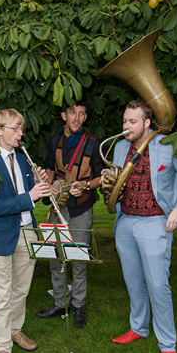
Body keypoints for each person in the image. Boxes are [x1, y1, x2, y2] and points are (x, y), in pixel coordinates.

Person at [101, 100, 177, 353]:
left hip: (156, 224)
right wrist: (107, 177)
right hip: (125, 222)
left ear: (148, 123)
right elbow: (117, 181)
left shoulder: (169, 146)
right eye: (124, 121)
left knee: (158, 285)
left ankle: (168, 345)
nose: (125, 127)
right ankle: (138, 327)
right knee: (133, 282)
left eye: (132, 122)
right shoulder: (122, 146)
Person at [0, 109, 51, 353]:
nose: (21, 133)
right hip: (1, 236)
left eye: (21, 128)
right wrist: (29, 195)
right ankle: (3, 347)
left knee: (21, 289)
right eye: (16, 128)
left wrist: (44, 184)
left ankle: (16, 330)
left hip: (26, 232)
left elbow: (36, 196)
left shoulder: (22, 161)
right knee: (1, 296)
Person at [35, 101, 105, 328]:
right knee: (55, 257)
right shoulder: (54, 140)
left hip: (81, 208)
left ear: (85, 118)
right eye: (72, 113)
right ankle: (60, 303)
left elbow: (99, 177)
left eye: (82, 113)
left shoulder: (94, 143)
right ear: (64, 115)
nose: (76, 117)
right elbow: (49, 169)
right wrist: (48, 185)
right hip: (57, 206)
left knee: (77, 258)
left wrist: (84, 186)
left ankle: (79, 306)